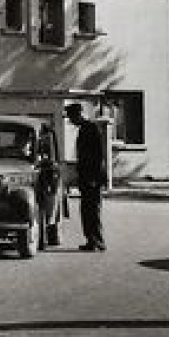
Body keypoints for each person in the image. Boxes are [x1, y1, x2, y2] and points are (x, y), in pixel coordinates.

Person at [66, 103, 106, 251]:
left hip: (92, 178)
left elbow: (98, 155)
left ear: (78, 115)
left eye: (71, 117)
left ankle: (96, 241)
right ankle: (92, 240)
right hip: (87, 177)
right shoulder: (85, 129)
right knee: (87, 210)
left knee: (92, 210)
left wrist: (94, 178)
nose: (71, 121)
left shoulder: (91, 128)